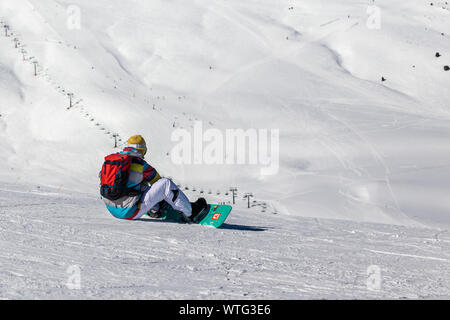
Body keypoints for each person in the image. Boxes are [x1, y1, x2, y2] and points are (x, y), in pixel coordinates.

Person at [101, 134, 206, 221]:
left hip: (113, 210)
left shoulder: (114, 162)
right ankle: (190, 212)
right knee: (165, 184)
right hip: (129, 212)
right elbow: (158, 182)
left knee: (139, 185)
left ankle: (155, 209)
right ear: (142, 150)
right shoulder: (141, 165)